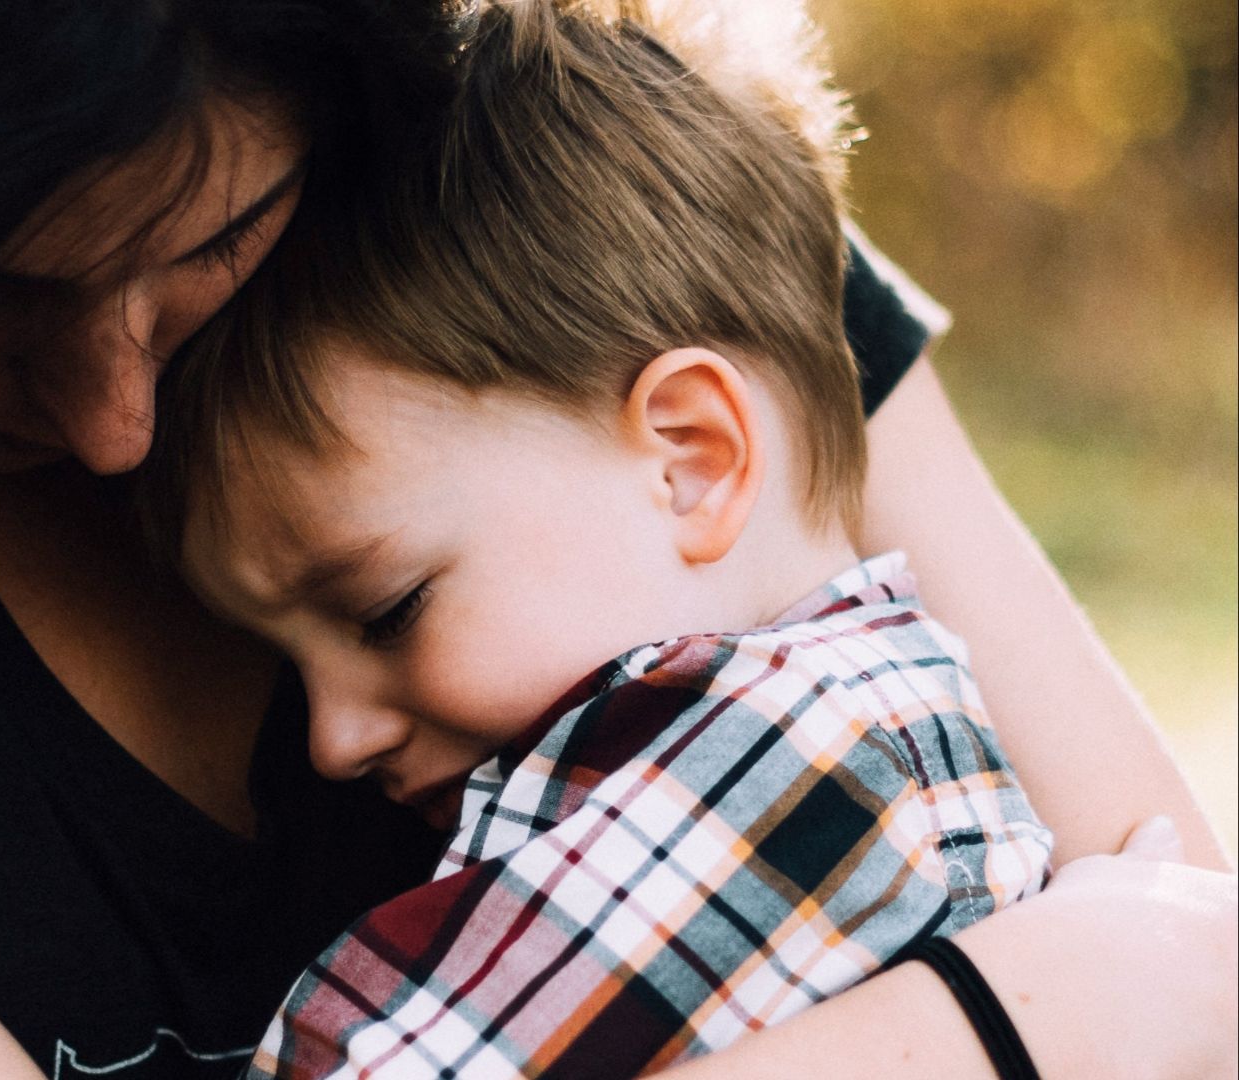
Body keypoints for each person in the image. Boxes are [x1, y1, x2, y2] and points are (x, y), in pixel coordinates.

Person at [0, 1, 1229, 1079]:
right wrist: (1018, 1019)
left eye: (207, 248)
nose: (111, 421)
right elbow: (1160, 982)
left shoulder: (594, 231)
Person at [143, 4, 1054, 1074]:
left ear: (692, 460)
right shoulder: (864, 723)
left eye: (388, 609)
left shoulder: (785, 759)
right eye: (288, 662)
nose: (331, 741)